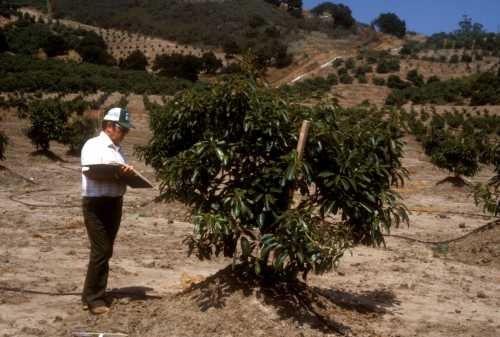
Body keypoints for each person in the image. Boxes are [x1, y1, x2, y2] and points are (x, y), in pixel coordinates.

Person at [80, 107, 135, 315]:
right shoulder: (93, 145)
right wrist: (116, 173)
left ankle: (90, 294)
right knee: (101, 250)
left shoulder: (118, 151)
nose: (125, 135)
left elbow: (117, 175)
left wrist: (127, 174)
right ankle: (95, 299)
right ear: (110, 126)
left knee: (105, 250)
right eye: (123, 130)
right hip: (95, 204)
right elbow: (91, 173)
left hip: (114, 203)